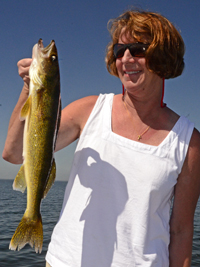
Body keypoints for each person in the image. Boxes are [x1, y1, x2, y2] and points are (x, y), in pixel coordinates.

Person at [3, 9, 200, 267]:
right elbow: (14, 153)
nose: (126, 58)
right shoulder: (89, 110)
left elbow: (182, 232)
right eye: (120, 51)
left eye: (138, 49)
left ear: (162, 57)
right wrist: (30, 87)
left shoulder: (189, 142)